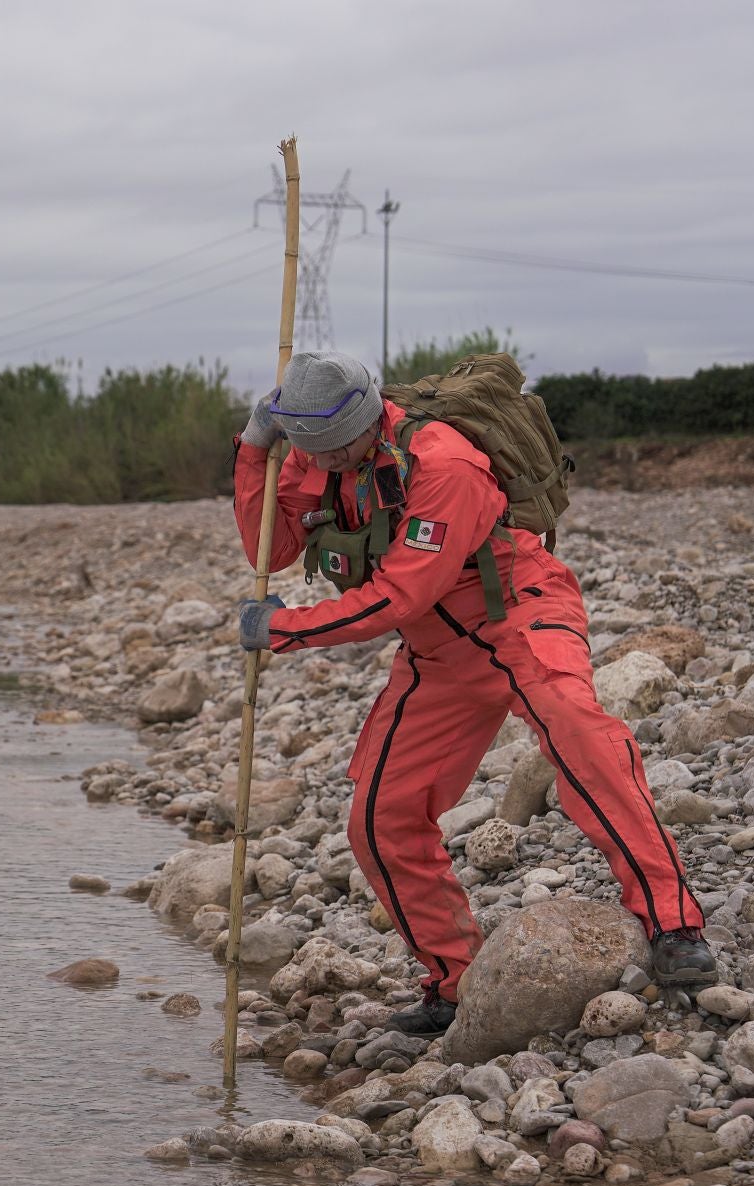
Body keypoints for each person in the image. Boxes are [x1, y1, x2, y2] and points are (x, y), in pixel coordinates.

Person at [232, 351, 713, 1037]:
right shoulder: (321, 456)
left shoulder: (445, 463)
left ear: (365, 419)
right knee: (380, 820)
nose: (326, 462)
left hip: (519, 612)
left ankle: (675, 924)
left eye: (336, 447)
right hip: (439, 651)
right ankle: (455, 981)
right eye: (313, 450)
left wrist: (281, 629)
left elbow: (400, 593)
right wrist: (255, 450)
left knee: (581, 739)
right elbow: (267, 547)